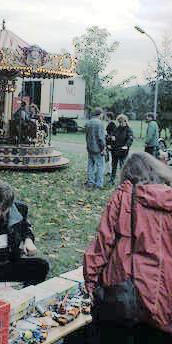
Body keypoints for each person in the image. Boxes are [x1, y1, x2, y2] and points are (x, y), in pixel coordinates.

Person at [84, 152, 172, 344]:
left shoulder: (123, 196)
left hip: (125, 294)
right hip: (164, 297)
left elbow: (102, 245)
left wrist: (90, 283)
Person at [0, 182, 49, 294]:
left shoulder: (19, 209)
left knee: (42, 266)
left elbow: (26, 228)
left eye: (4, 210)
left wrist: (28, 240)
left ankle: (24, 297)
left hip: (8, 262)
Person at [85, 108, 106, 189]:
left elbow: (87, 136)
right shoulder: (100, 123)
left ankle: (90, 182)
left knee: (90, 166)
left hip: (90, 147)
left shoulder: (88, 123)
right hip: (98, 149)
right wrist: (103, 148)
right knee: (100, 166)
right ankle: (99, 184)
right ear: (100, 114)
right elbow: (101, 138)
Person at [110, 114, 133, 184]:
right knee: (114, 166)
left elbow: (130, 139)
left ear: (125, 121)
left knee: (122, 166)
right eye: (119, 122)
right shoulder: (116, 129)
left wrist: (126, 145)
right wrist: (112, 138)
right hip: (115, 150)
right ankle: (112, 179)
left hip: (123, 151)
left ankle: (123, 180)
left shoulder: (128, 130)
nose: (120, 124)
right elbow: (113, 135)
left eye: (121, 122)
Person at [105, 112, 116, 176]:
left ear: (109, 117)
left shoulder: (112, 124)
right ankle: (109, 170)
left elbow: (112, 135)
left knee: (110, 157)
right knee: (108, 157)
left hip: (110, 144)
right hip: (108, 143)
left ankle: (110, 171)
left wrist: (109, 143)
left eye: (106, 116)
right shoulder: (110, 124)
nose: (105, 117)